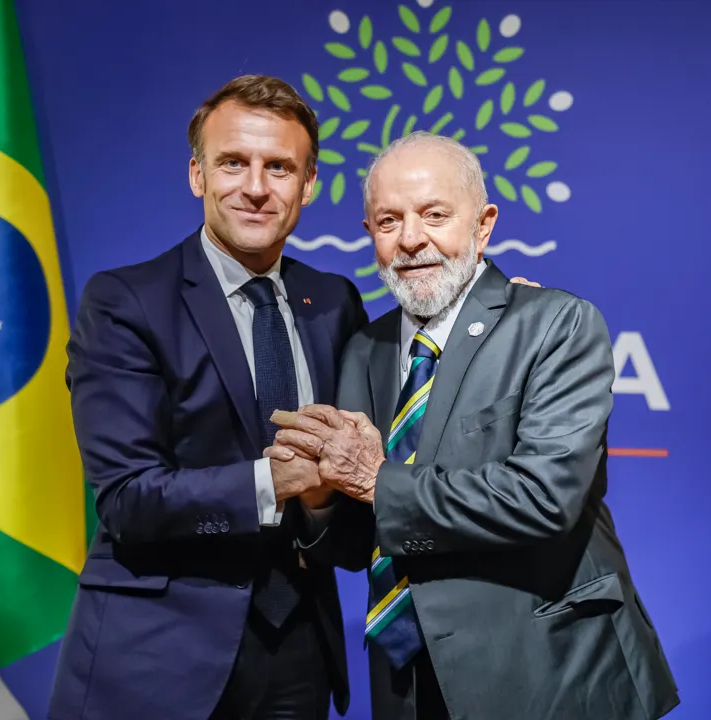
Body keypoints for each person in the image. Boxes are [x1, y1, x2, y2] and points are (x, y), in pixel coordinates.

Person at [267, 131, 680, 720]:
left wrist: (373, 478)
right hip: (407, 682)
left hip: (547, 671)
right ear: (369, 236)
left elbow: (543, 500)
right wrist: (319, 499)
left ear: (483, 225)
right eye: (388, 221)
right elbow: (366, 540)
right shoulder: (365, 348)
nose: (411, 239)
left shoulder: (555, 324)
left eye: (434, 214)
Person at [47, 75, 370, 720]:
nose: (255, 187)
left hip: (299, 653)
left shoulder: (335, 302)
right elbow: (127, 499)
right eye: (233, 163)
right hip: (157, 659)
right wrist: (273, 480)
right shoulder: (124, 303)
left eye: (279, 167)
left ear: (308, 185)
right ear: (198, 175)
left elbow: (357, 477)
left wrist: (319, 500)